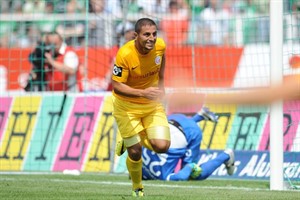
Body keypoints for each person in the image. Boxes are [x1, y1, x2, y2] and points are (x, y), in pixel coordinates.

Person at [112, 18, 170, 197]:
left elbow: (160, 69)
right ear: (136, 36)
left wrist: (161, 88)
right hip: (126, 107)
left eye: (154, 34)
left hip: (152, 105)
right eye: (146, 34)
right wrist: (143, 93)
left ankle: (132, 139)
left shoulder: (160, 46)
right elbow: (116, 85)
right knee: (136, 151)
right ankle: (137, 187)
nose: (151, 38)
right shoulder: (125, 54)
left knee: (162, 146)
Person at [141, 107, 236, 181]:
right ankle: (199, 116)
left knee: (193, 175)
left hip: (190, 133)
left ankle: (226, 155)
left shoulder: (163, 176)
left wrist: (190, 166)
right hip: (171, 120)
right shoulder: (138, 163)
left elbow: (181, 177)